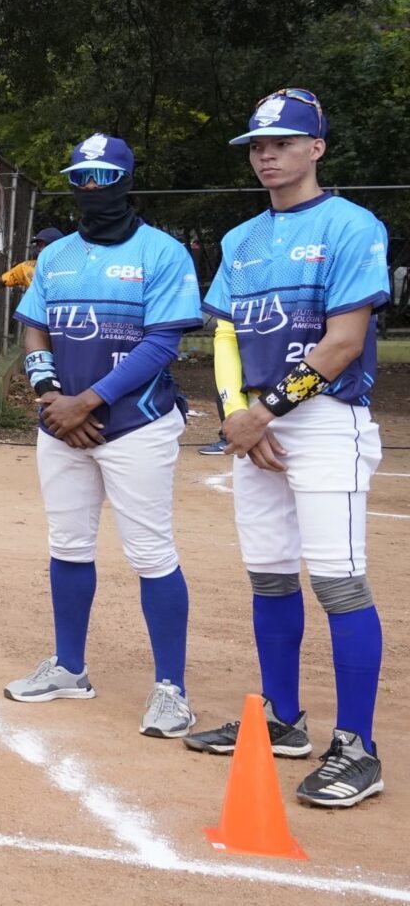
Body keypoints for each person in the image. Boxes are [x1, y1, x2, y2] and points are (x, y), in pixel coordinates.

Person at [191, 87, 388, 806]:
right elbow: (222, 334)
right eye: (257, 146)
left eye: (281, 142)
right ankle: (282, 720)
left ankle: (358, 748)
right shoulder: (241, 240)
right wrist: (239, 410)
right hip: (259, 426)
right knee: (270, 574)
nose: (266, 155)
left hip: (326, 420)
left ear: (317, 148)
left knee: (339, 580)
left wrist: (266, 410)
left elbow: (344, 342)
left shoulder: (350, 225)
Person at [7, 134, 201, 741]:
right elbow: (34, 329)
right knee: (67, 544)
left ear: (124, 180)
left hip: (135, 424)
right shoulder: (58, 255)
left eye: (103, 179)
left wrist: (86, 402)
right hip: (60, 425)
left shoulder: (162, 252)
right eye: (81, 179)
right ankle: (69, 667)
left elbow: (162, 343)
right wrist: (47, 399)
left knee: (150, 553)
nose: (91, 191)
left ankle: (171, 688)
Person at [0, 228, 60, 292]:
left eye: (44, 246)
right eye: (38, 245)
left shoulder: (66, 271)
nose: (39, 249)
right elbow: (2, 280)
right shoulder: (29, 267)